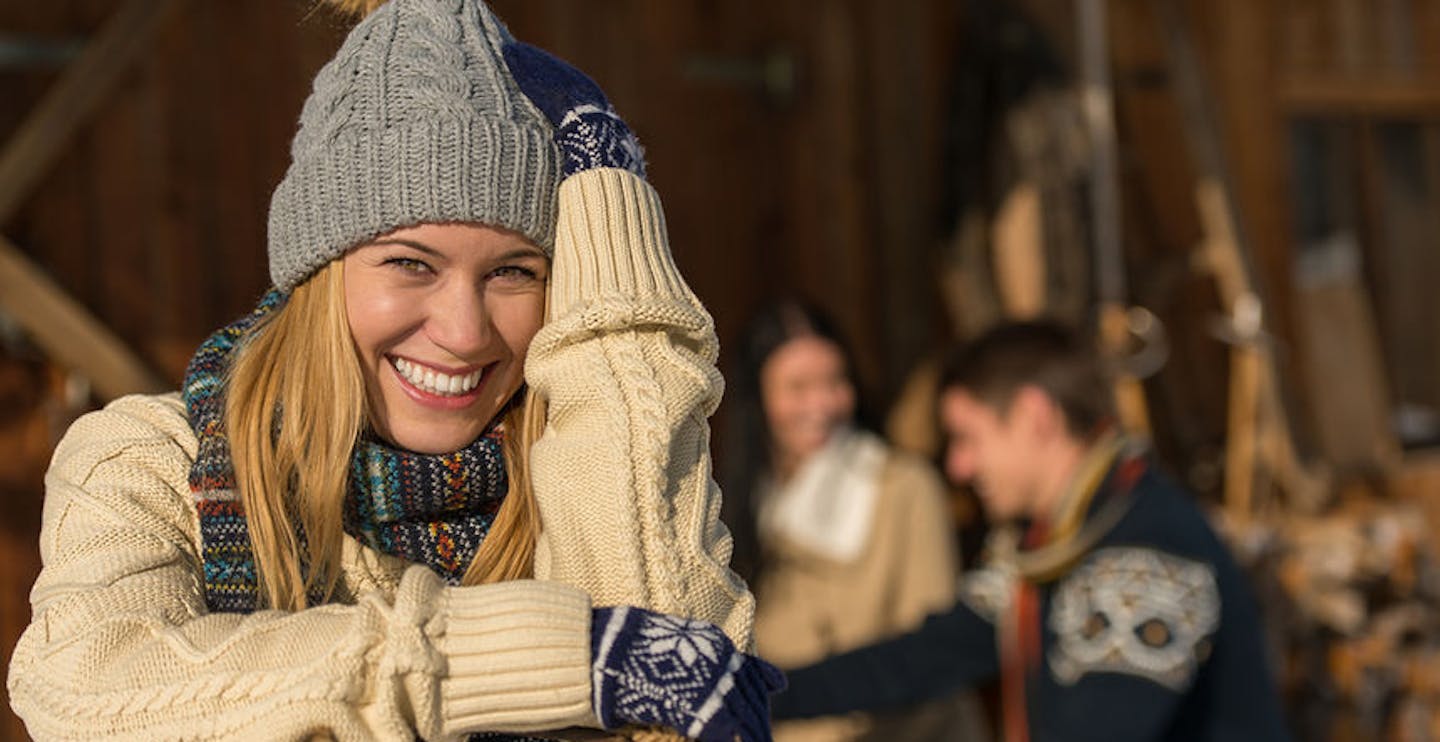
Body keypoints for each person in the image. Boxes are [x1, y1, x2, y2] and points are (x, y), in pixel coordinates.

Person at [6, 1, 784, 739]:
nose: (463, 331)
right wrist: (541, 657)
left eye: (516, 272)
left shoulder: (581, 462)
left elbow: (669, 687)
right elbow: (87, 687)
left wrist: (614, 232)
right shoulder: (147, 460)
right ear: (320, 275)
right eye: (411, 263)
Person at [771, 321, 1292, 741]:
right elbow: (924, 658)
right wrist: (757, 692)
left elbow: (1103, 728)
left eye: (967, 438)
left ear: (1033, 415)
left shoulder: (1143, 552)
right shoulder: (1057, 543)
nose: (958, 466)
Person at [719, 300, 984, 742]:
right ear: (758, 398)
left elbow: (928, 659)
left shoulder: (906, 487)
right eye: (798, 387)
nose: (822, 404)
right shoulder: (736, 507)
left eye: (835, 381)